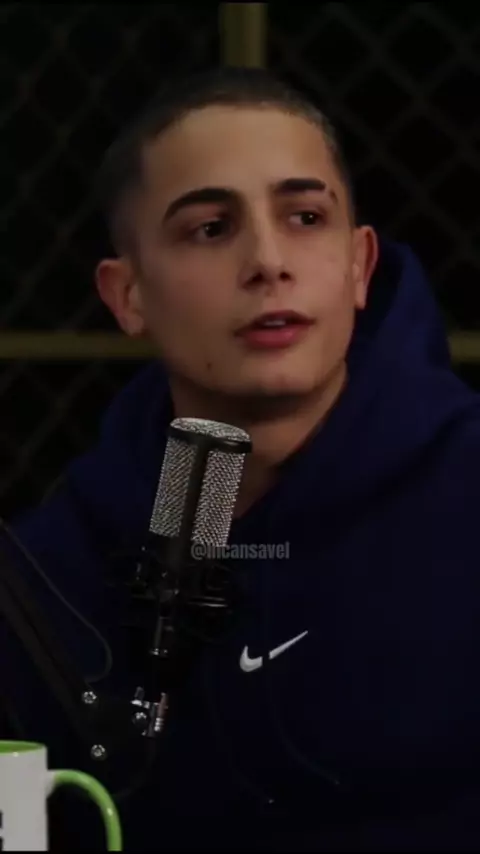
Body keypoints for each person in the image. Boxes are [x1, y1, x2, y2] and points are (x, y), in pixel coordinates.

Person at [3, 65, 480, 852]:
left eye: (305, 217)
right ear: (127, 295)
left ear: (359, 265)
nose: (267, 261)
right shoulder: (44, 579)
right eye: (210, 229)